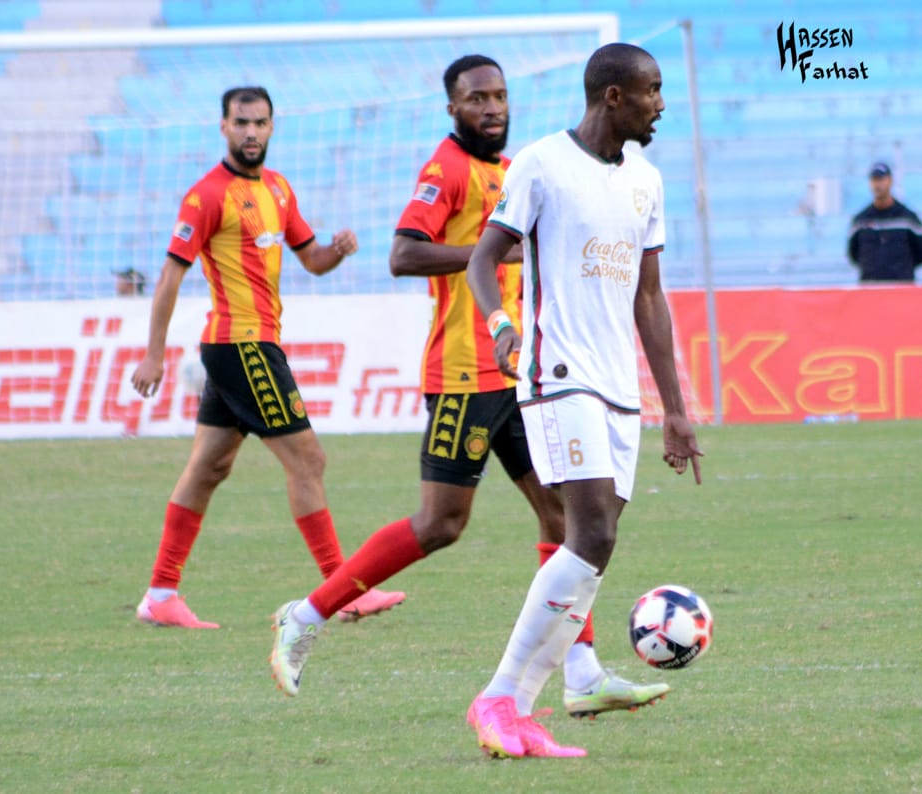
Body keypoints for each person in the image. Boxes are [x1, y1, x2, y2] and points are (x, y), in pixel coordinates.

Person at [265, 56, 668, 727]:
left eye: (500, 96)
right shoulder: (447, 169)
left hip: (530, 371)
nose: (492, 108)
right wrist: (501, 253)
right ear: (452, 107)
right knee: (442, 524)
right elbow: (403, 254)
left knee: (566, 519)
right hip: (465, 373)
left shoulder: (512, 169)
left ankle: (581, 672)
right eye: (477, 98)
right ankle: (306, 615)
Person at [459, 42, 704, 760]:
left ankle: (522, 706)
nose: (662, 103)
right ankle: (499, 698)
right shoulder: (541, 164)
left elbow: (649, 298)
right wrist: (500, 324)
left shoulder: (647, 180)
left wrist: (675, 407)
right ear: (614, 96)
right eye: (653, 90)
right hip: (557, 370)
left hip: (617, 385)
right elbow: (481, 259)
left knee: (595, 547)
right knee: (589, 532)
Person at [130, 86, 404, 629]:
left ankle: (160, 593)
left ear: (273, 127)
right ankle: (342, 590)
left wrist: (337, 251)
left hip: (248, 345)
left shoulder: (278, 188)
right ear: (223, 127)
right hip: (241, 345)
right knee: (308, 460)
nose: (251, 132)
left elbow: (312, 260)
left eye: (259, 123)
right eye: (241, 123)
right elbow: (169, 276)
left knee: (209, 467)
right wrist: (154, 355)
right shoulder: (206, 196)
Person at [847, 161, 922, 282]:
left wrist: (902, 268)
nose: (877, 184)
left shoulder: (907, 218)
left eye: (881, 179)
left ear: (890, 181)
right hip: (870, 288)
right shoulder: (861, 220)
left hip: (901, 288)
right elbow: (854, 255)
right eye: (874, 180)